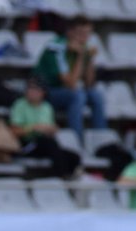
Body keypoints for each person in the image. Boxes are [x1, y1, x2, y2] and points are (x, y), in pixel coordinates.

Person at [33, 15, 107, 145]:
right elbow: (71, 84)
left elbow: (89, 84)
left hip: (65, 91)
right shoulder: (56, 47)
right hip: (46, 92)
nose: (84, 38)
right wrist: (80, 56)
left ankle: (100, 141)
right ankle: (76, 141)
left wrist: (89, 59)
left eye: (88, 33)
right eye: (80, 33)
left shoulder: (83, 47)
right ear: (69, 32)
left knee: (96, 95)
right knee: (78, 96)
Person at [9, 77, 81, 179]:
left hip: (44, 145)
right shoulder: (20, 105)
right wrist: (34, 128)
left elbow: (51, 129)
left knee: (74, 157)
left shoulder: (47, 107)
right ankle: (59, 178)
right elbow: (14, 131)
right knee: (49, 144)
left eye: (35, 89)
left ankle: (65, 179)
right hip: (26, 144)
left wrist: (52, 129)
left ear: (43, 92)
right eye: (29, 88)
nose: (31, 91)